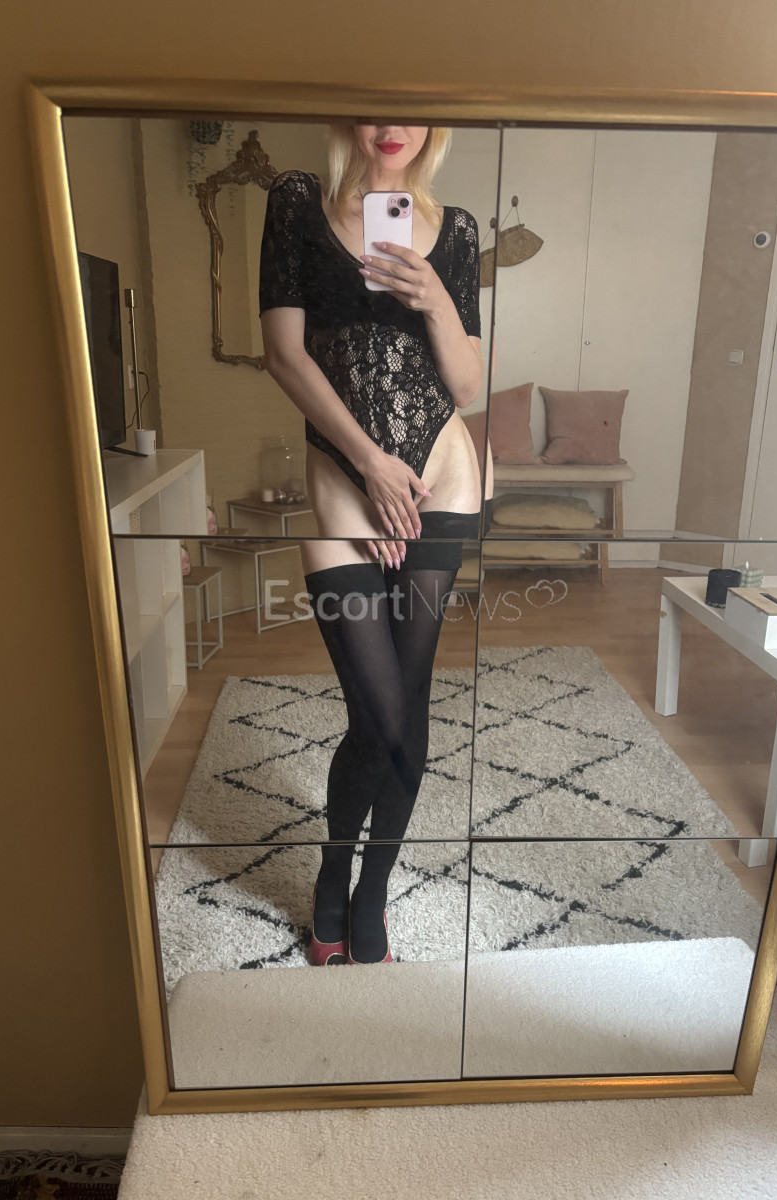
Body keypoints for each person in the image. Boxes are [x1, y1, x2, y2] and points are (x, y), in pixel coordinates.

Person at [259, 123, 484, 965]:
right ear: (345, 114)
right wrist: (370, 465)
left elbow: (466, 385)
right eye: (375, 106)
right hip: (349, 478)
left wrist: (437, 300)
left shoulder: (456, 231)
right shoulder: (297, 202)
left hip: (441, 479)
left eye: (411, 109)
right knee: (379, 714)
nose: (392, 126)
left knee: (409, 709)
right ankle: (333, 868)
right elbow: (284, 356)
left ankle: (372, 891)